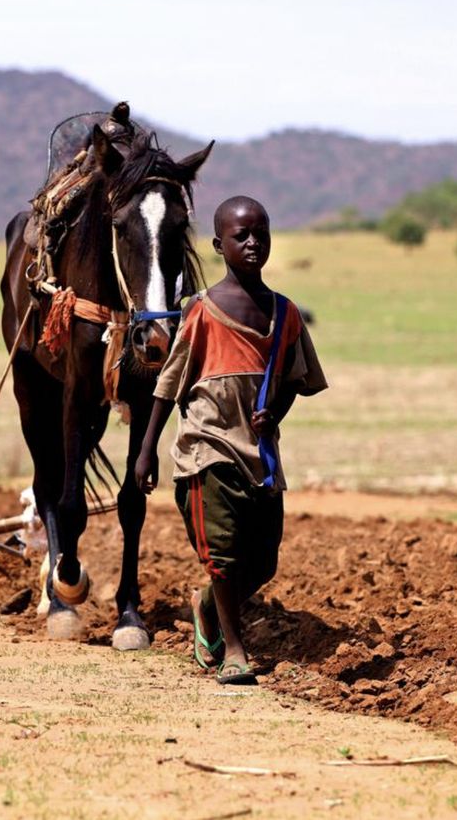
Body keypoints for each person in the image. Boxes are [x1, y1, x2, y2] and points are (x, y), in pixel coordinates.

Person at [135, 195, 327, 684]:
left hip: (259, 455)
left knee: (263, 562)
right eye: (240, 235)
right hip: (208, 446)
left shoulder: (284, 315)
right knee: (222, 555)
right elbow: (169, 383)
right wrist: (146, 451)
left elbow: (295, 381)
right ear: (220, 245)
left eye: (260, 233)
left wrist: (273, 414)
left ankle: (205, 607)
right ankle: (234, 650)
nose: (252, 242)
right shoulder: (201, 311)